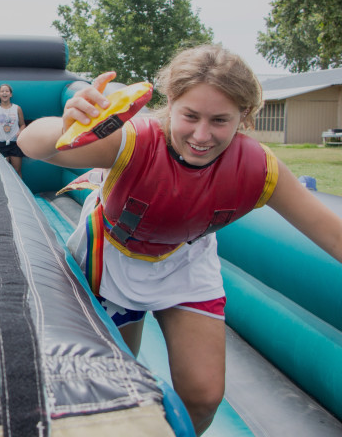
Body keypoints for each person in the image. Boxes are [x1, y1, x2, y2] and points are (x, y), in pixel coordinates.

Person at [17, 44, 342, 435]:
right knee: (112, 386)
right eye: (190, 116)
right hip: (113, 254)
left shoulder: (259, 169)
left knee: (203, 395)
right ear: (170, 103)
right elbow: (30, 144)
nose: (201, 136)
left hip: (185, 259)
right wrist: (66, 127)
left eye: (220, 120)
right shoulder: (134, 141)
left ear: (245, 116)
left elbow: (331, 233)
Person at [0, 83, 26, 176]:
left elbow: (22, 125)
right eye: (2, 91)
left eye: (7, 91)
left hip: (15, 143)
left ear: (10, 94)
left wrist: (20, 131)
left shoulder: (17, 108)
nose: (4, 93)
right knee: (3, 172)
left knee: (17, 171)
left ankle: (20, 190)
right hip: (0, 144)